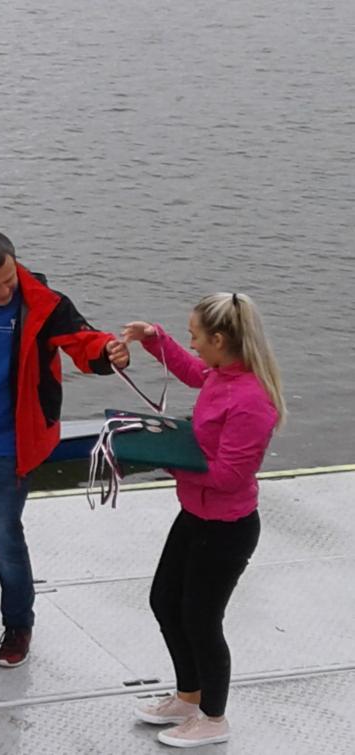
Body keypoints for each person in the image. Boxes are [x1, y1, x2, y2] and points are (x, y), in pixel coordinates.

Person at [0, 231, 128, 667]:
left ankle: (18, 625)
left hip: (11, 446)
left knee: (3, 533)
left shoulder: (43, 304)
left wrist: (108, 353)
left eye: (9, 281)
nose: (4, 292)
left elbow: (83, 341)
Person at [121, 293, 284, 748]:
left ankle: (213, 718)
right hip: (194, 514)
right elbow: (193, 372)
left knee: (201, 619)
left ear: (219, 340)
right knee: (163, 601)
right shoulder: (219, 373)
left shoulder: (252, 401)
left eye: (195, 336)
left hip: (227, 528)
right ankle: (187, 696)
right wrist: (154, 338)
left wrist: (165, 457)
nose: (191, 344)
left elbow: (230, 476)